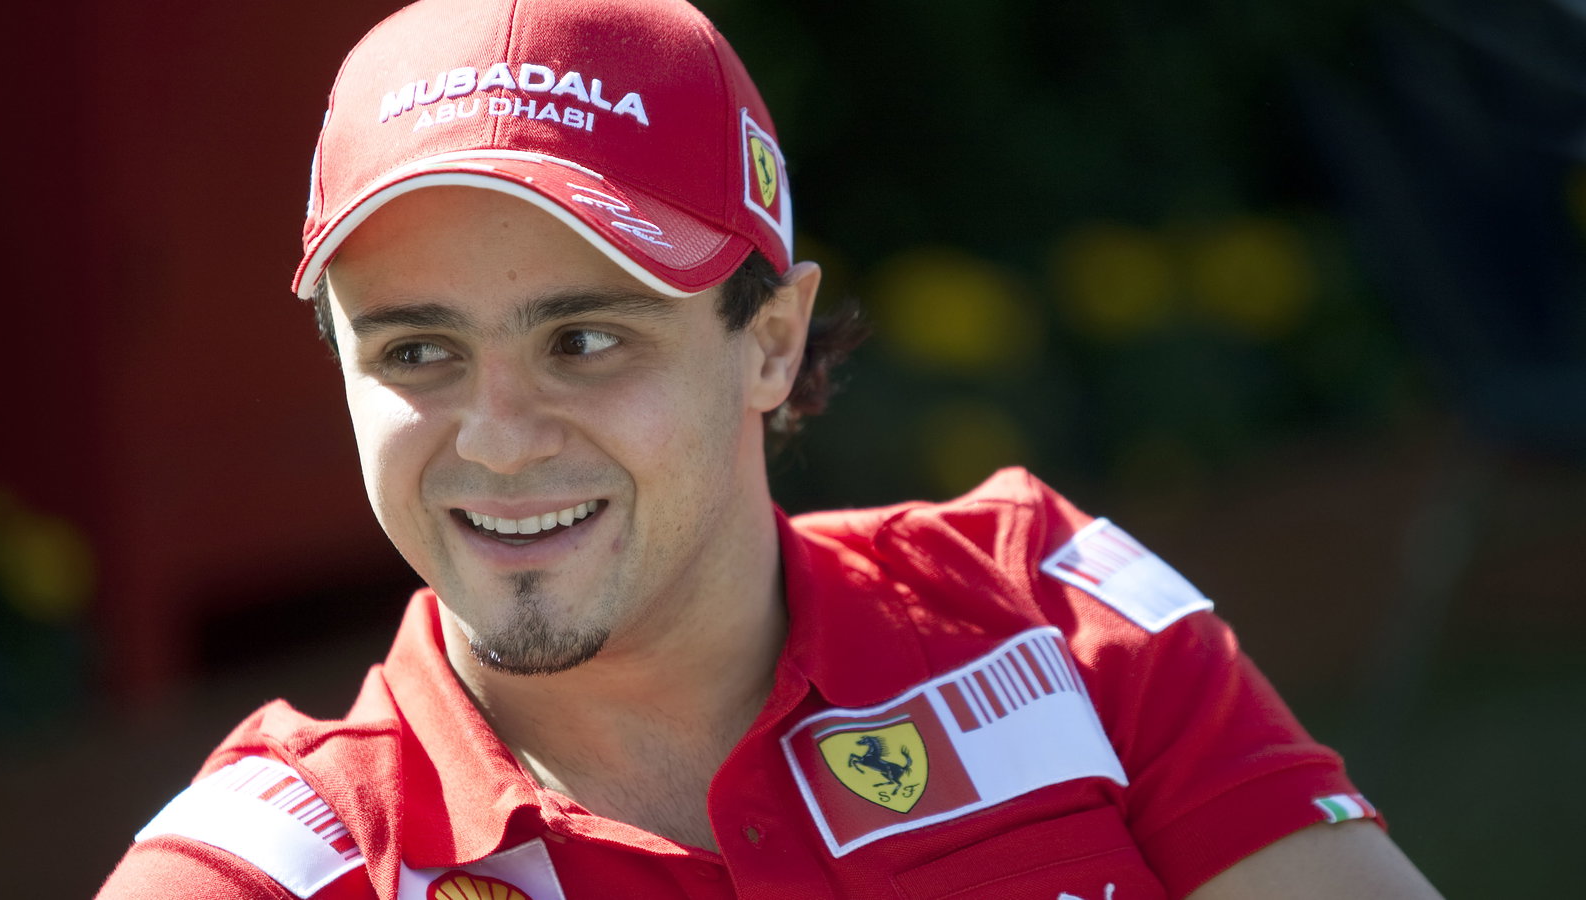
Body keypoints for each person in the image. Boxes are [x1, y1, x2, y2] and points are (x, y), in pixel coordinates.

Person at [98, 0, 1443, 897]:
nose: (495, 441)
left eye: (585, 340)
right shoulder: (268, 863)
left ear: (772, 341)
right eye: (416, 353)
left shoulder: (1052, 612)